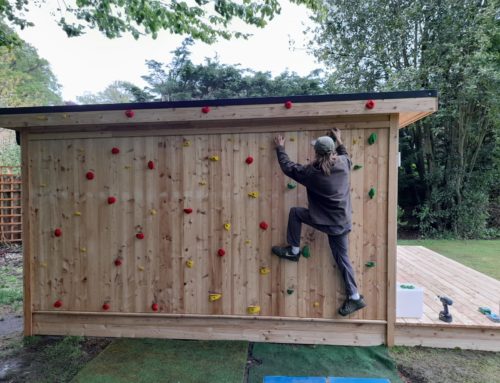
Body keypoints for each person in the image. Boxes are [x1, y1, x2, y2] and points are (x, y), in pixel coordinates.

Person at [271, 128, 366, 316]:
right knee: (343, 259)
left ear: (316, 153)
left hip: (326, 222)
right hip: (342, 222)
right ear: (332, 152)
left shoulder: (311, 173)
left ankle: (294, 250)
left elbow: (288, 167)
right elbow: (345, 153)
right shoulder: (344, 163)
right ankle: (355, 297)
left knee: (296, 213)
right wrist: (339, 139)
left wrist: (280, 148)